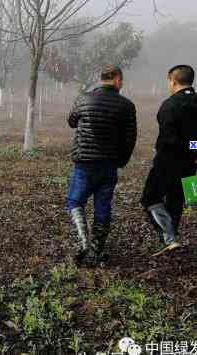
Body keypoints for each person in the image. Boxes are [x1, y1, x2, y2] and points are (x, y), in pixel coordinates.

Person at [141, 65, 197, 257]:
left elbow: (168, 140)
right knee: (175, 201)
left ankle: (169, 238)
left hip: (168, 163)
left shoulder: (169, 105)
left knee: (150, 198)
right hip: (192, 164)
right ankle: (171, 242)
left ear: (173, 81)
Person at [65, 66, 137, 265]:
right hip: (109, 165)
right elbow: (130, 138)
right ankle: (96, 251)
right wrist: (121, 160)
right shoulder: (127, 106)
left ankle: (83, 242)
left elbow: (71, 121)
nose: (122, 84)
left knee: (74, 202)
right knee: (102, 207)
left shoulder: (83, 99)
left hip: (84, 163)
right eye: (121, 80)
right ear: (116, 79)